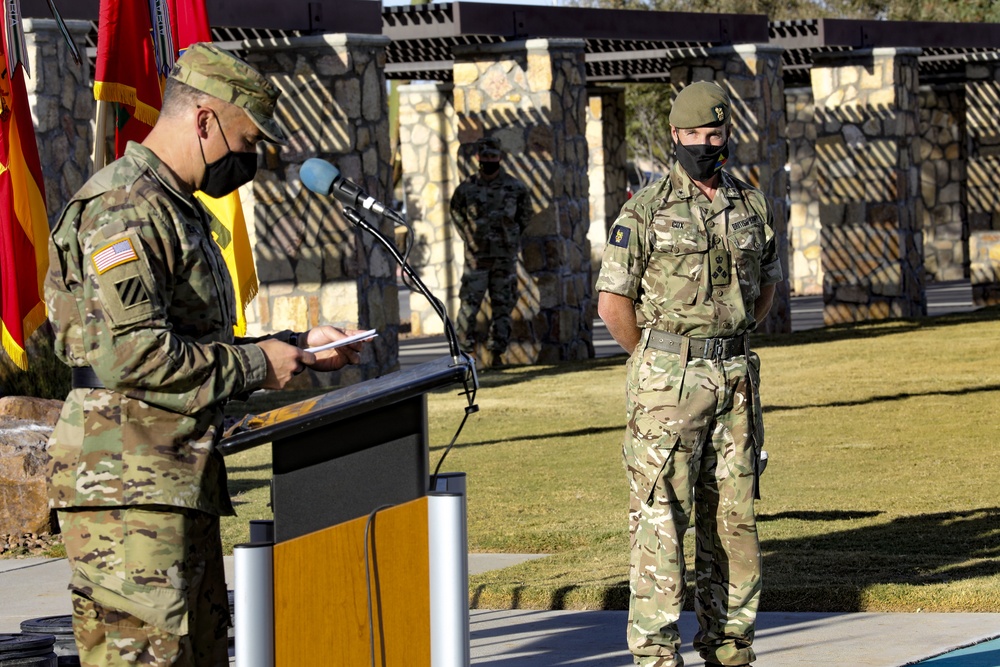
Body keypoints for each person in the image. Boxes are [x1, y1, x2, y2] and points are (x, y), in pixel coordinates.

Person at [44, 43, 367, 666]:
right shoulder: (125, 207)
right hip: (127, 496)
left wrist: (296, 351)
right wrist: (257, 365)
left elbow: (188, 345)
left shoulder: (173, 207)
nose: (251, 157)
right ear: (204, 121)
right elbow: (132, 356)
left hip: (171, 482)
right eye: (246, 139)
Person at [596, 81, 782, 667]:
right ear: (675, 136)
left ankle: (730, 646)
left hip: (734, 378)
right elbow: (613, 303)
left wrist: (725, 338)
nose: (707, 144)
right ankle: (655, 654)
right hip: (667, 385)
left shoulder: (750, 204)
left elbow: (767, 286)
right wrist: (655, 361)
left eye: (716, 133)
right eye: (697, 135)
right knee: (661, 518)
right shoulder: (645, 210)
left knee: (735, 517)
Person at [449, 136, 530, 366]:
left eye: (493, 157)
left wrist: (511, 239)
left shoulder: (515, 187)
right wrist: (468, 237)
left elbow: (525, 215)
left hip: (504, 259)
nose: (489, 161)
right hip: (477, 259)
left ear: (500, 158)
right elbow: (456, 213)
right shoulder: (467, 189)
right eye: (485, 157)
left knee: (502, 307)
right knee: (469, 305)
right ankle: (463, 355)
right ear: (478, 158)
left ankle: (497, 355)